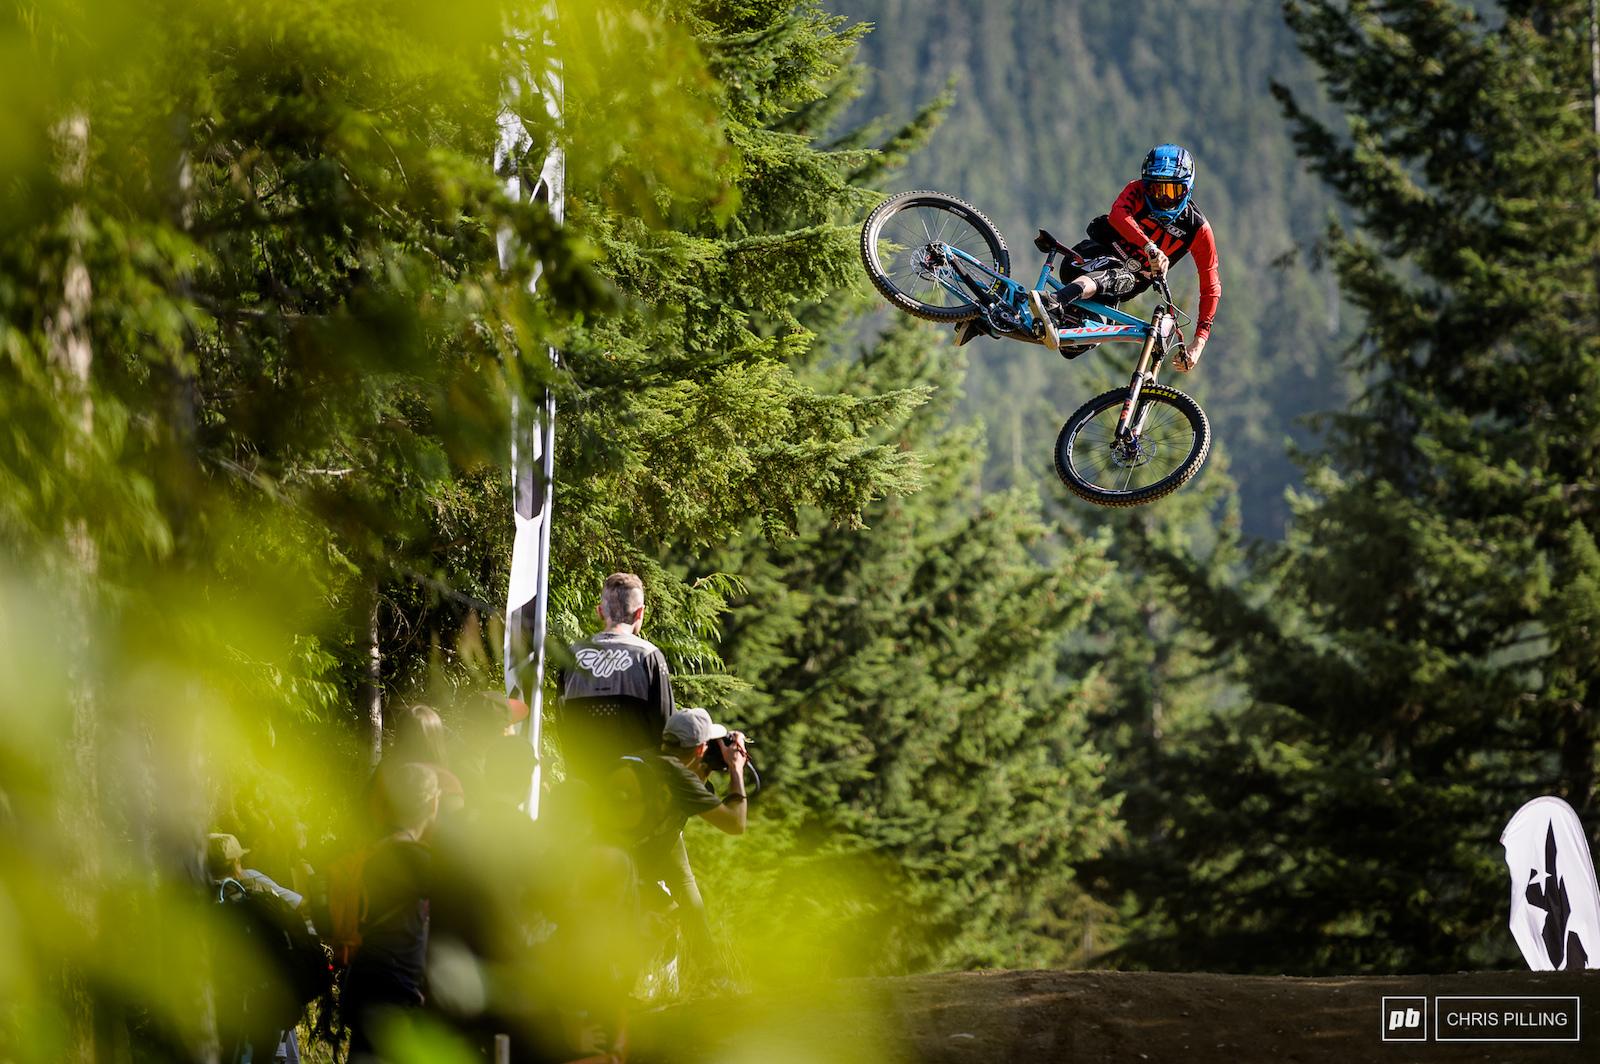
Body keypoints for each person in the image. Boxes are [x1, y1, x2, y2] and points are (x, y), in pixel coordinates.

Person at [1011, 143, 1219, 369]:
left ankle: (988, 319)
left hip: (1113, 292)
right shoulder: (1136, 190)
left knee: (1076, 343)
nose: (1164, 200)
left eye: (1172, 191)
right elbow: (1118, 214)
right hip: (1085, 261)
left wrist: (1199, 342)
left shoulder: (1198, 229)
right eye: (1156, 190)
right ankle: (1055, 300)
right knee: (1121, 275)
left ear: (1187, 188)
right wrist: (1150, 247)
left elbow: (1210, 287)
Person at [603, 708, 748, 979]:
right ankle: (616, 985)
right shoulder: (676, 775)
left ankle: (616, 984)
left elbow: (682, 877)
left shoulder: (644, 760)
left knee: (667, 911)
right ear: (700, 749)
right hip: (619, 874)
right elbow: (735, 823)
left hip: (597, 860)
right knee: (665, 917)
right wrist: (736, 769)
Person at [344, 762, 439, 1063]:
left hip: (366, 984)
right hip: (392, 995)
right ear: (431, 803)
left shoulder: (376, 847)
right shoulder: (412, 857)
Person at [557, 573, 676, 783]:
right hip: (635, 787)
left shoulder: (571, 655)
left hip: (582, 785)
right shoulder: (649, 656)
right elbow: (666, 727)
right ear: (640, 613)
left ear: (600, 612)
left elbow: (561, 721)